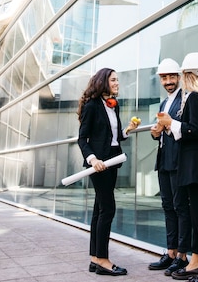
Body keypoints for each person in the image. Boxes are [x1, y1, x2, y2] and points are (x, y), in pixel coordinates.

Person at [156, 52, 198, 282]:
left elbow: (194, 130)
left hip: (197, 170)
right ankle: (196, 262)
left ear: (187, 75)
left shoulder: (195, 97)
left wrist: (170, 123)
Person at [77, 68, 139, 277]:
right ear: (103, 81)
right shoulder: (92, 106)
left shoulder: (113, 105)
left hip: (113, 161)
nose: (117, 83)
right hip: (99, 164)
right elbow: (82, 139)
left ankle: (95, 258)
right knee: (108, 209)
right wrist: (93, 159)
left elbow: (111, 137)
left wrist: (127, 130)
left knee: (99, 210)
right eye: (113, 80)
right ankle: (103, 260)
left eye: (117, 80)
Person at [148, 58, 191, 276]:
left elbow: (185, 130)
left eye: (172, 77)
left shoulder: (185, 99)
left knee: (180, 206)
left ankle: (183, 255)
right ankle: (171, 252)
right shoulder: (163, 103)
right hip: (164, 159)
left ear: (179, 77)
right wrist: (156, 132)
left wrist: (166, 127)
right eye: (164, 78)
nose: (168, 81)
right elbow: (164, 131)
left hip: (179, 161)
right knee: (167, 206)